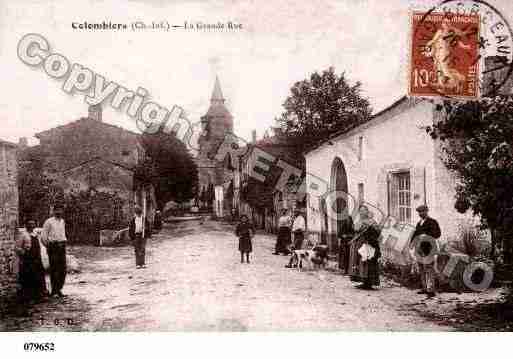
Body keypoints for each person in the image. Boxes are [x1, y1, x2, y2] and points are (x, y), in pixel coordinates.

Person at [411, 204, 441, 299]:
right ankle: (424, 287)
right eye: (419, 212)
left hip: (429, 248)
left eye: (423, 211)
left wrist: (426, 235)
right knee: (421, 268)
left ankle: (431, 289)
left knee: (429, 268)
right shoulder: (419, 223)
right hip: (419, 249)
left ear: (427, 211)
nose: (421, 213)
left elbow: (437, 234)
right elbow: (415, 234)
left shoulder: (432, 222)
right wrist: (411, 244)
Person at [16, 220, 48, 306]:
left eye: (33, 224)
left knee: (38, 276)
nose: (31, 226)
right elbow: (18, 247)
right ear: (26, 225)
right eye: (29, 224)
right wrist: (24, 254)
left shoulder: (36, 234)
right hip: (28, 259)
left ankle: (39, 296)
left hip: (36, 258)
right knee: (28, 277)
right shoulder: (23, 235)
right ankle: (28, 298)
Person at [348, 205, 381, 289]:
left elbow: (377, 231)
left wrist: (370, 232)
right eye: (361, 211)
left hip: (367, 245)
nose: (362, 212)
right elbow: (355, 230)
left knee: (367, 262)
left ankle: (368, 282)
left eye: (364, 210)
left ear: (367, 212)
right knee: (359, 262)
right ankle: (363, 281)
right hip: (357, 245)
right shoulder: (358, 221)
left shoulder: (371, 221)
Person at [41, 205, 68, 298]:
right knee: (54, 269)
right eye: (57, 210)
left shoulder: (62, 221)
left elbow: (62, 234)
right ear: (53, 211)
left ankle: (59, 289)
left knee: (63, 269)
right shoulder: (49, 222)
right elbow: (43, 236)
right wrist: (49, 247)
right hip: (53, 247)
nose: (59, 212)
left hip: (62, 246)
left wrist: (63, 244)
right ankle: (54, 291)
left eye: (60, 210)